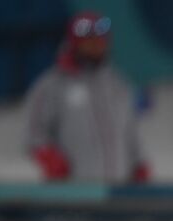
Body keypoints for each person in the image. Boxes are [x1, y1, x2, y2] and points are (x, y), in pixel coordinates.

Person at [24, 10, 150, 184]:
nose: (96, 44)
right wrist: (52, 160)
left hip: (119, 196)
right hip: (72, 197)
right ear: (75, 43)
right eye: (88, 40)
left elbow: (131, 135)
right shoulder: (52, 85)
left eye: (100, 39)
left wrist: (139, 166)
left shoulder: (118, 85)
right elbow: (34, 134)